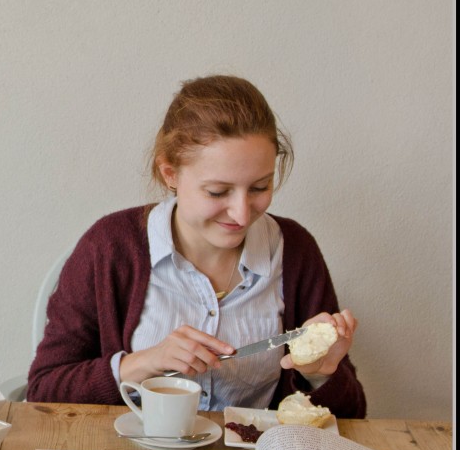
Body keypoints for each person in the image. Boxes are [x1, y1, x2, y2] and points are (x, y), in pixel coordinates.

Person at [26, 75, 366, 418]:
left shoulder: (295, 252)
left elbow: (352, 416)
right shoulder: (109, 247)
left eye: (260, 187)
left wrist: (319, 375)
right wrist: (142, 363)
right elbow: (44, 389)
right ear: (170, 173)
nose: (241, 212)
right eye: (217, 192)